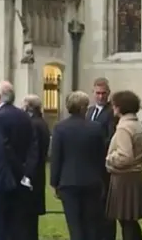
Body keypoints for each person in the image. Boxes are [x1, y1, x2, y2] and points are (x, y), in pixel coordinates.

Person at [0, 81, 38, 240]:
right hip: (18, 181)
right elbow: (33, 147)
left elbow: (2, 149)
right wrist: (26, 174)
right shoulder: (24, 115)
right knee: (14, 227)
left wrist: (19, 171)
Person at [51, 91, 106, 240]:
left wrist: (54, 182)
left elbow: (56, 157)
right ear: (83, 108)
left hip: (68, 182)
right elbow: (100, 156)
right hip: (91, 181)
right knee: (90, 225)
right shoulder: (95, 128)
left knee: (75, 225)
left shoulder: (60, 128)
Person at [106, 90, 142, 240]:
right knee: (131, 221)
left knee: (126, 221)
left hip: (124, 179)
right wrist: (137, 160)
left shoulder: (124, 128)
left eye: (114, 105)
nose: (113, 108)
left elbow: (125, 156)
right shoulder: (138, 125)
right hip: (137, 176)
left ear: (119, 107)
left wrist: (110, 159)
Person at [86, 77, 117, 240]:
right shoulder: (89, 111)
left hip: (103, 164)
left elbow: (110, 138)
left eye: (103, 93)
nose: (100, 97)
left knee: (106, 204)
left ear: (108, 94)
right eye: (98, 93)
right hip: (90, 165)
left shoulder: (111, 113)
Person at [22, 95, 51, 240]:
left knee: (27, 220)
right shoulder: (42, 122)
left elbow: (33, 152)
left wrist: (27, 175)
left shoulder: (33, 124)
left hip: (32, 176)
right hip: (38, 174)